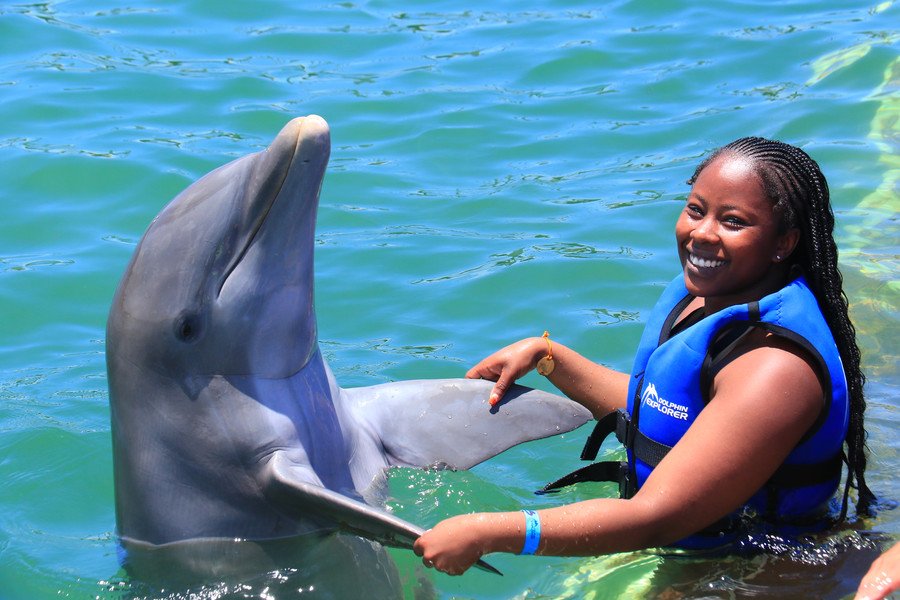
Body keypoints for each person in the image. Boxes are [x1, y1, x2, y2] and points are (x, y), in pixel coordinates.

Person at [413, 137, 876, 575]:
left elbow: (658, 517)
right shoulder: (709, 297)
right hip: (693, 546)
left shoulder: (773, 367)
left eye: (733, 222)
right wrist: (549, 357)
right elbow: (664, 409)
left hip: (754, 568)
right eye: (696, 210)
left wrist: (491, 531)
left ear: (784, 243)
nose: (702, 234)